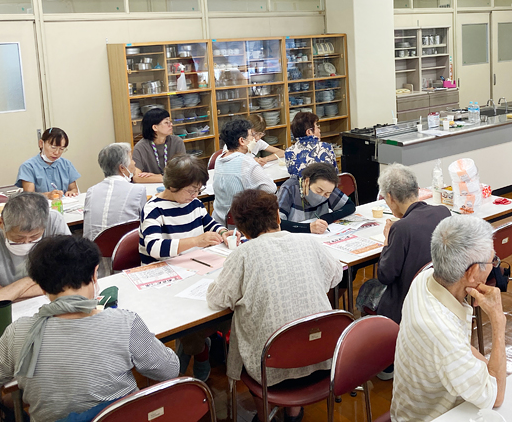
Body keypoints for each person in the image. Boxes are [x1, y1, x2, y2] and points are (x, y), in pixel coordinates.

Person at [0, 236, 179, 422]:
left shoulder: (19, 332)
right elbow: (169, 370)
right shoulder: (124, 322)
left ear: (40, 287)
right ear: (95, 274)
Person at [207, 189, 343, 422]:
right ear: (278, 217)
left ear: (243, 230)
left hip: (270, 369)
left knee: (254, 344)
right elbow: (335, 276)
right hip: (323, 356)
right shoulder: (309, 242)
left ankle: (264, 417)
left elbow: (218, 299)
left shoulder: (243, 255)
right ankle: (293, 413)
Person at [391, 215, 506, 421]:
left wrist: (487, 374)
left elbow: (459, 348)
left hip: (412, 407)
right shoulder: (441, 333)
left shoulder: (424, 278)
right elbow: (496, 396)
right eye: (492, 260)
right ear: (471, 273)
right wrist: (498, 321)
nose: (493, 266)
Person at [139, 154, 235, 382]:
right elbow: (154, 247)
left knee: (218, 307)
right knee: (190, 317)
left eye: (198, 191)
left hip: (193, 271)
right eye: (191, 191)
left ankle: (194, 349)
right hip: (164, 278)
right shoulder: (154, 209)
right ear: (171, 186)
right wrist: (196, 241)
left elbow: (209, 223)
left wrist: (222, 233)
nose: (195, 196)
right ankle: (197, 352)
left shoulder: (193, 204)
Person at [373, 163, 450, 380]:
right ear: (416, 190)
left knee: (366, 291)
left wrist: (387, 241)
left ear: (390, 197)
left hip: (406, 301)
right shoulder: (442, 212)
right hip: (439, 291)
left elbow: (385, 276)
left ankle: (385, 359)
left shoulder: (401, 228)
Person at [0, 192, 71, 317]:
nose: (26, 243)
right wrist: (31, 281)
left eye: (34, 236)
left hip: (47, 310)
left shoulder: (53, 221)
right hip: (7, 315)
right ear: (1, 223)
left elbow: (70, 284)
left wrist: (2, 291)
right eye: (18, 238)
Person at [83, 143, 147, 261]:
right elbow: (144, 224)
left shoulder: (91, 191)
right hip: (126, 254)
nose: (134, 163)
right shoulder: (138, 190)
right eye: (131, 159)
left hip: (93, 256)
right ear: (122, 167)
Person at [212, 119, 277, 226]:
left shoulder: (220, 159)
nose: (254, 139)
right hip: (243, 223)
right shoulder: (247, 162)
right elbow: (271, 189)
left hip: (219, 222)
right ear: (242, 141)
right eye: (252, 135)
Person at [277, 162, 355, 234]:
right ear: (307, 181)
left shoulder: (328, 187)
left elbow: (349, 206)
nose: (321, 196)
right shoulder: (289, 188)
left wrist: (330, 217)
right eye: (319, 190)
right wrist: (308, 228)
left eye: (327, 194)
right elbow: (276, 222)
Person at [15, 127, 81, 199]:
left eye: (61, 149)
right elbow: (30, 196)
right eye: (53, 147)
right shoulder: (28, 167)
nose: (57, 153)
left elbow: (74, 189)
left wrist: (72, 193)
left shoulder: (66, 164)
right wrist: (47, 196)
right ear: (41, 144)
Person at [132, 108, 186, 184]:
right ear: (155, 127)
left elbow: (183, 173)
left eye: (170, 121)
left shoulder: (177, 142)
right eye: (166, 122)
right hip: (151, 188)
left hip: (174, 185)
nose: (171, 125)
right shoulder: (140, 147)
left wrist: (155, 176)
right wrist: (165, 178)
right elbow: (136, 177)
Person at [284, 112, 337, 177]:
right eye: (317, 127)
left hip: (302, 187)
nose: (319, 130)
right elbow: (335, 175)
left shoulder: (289, 152)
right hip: (325, 186)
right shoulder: (326, 148)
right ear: (309, 132)